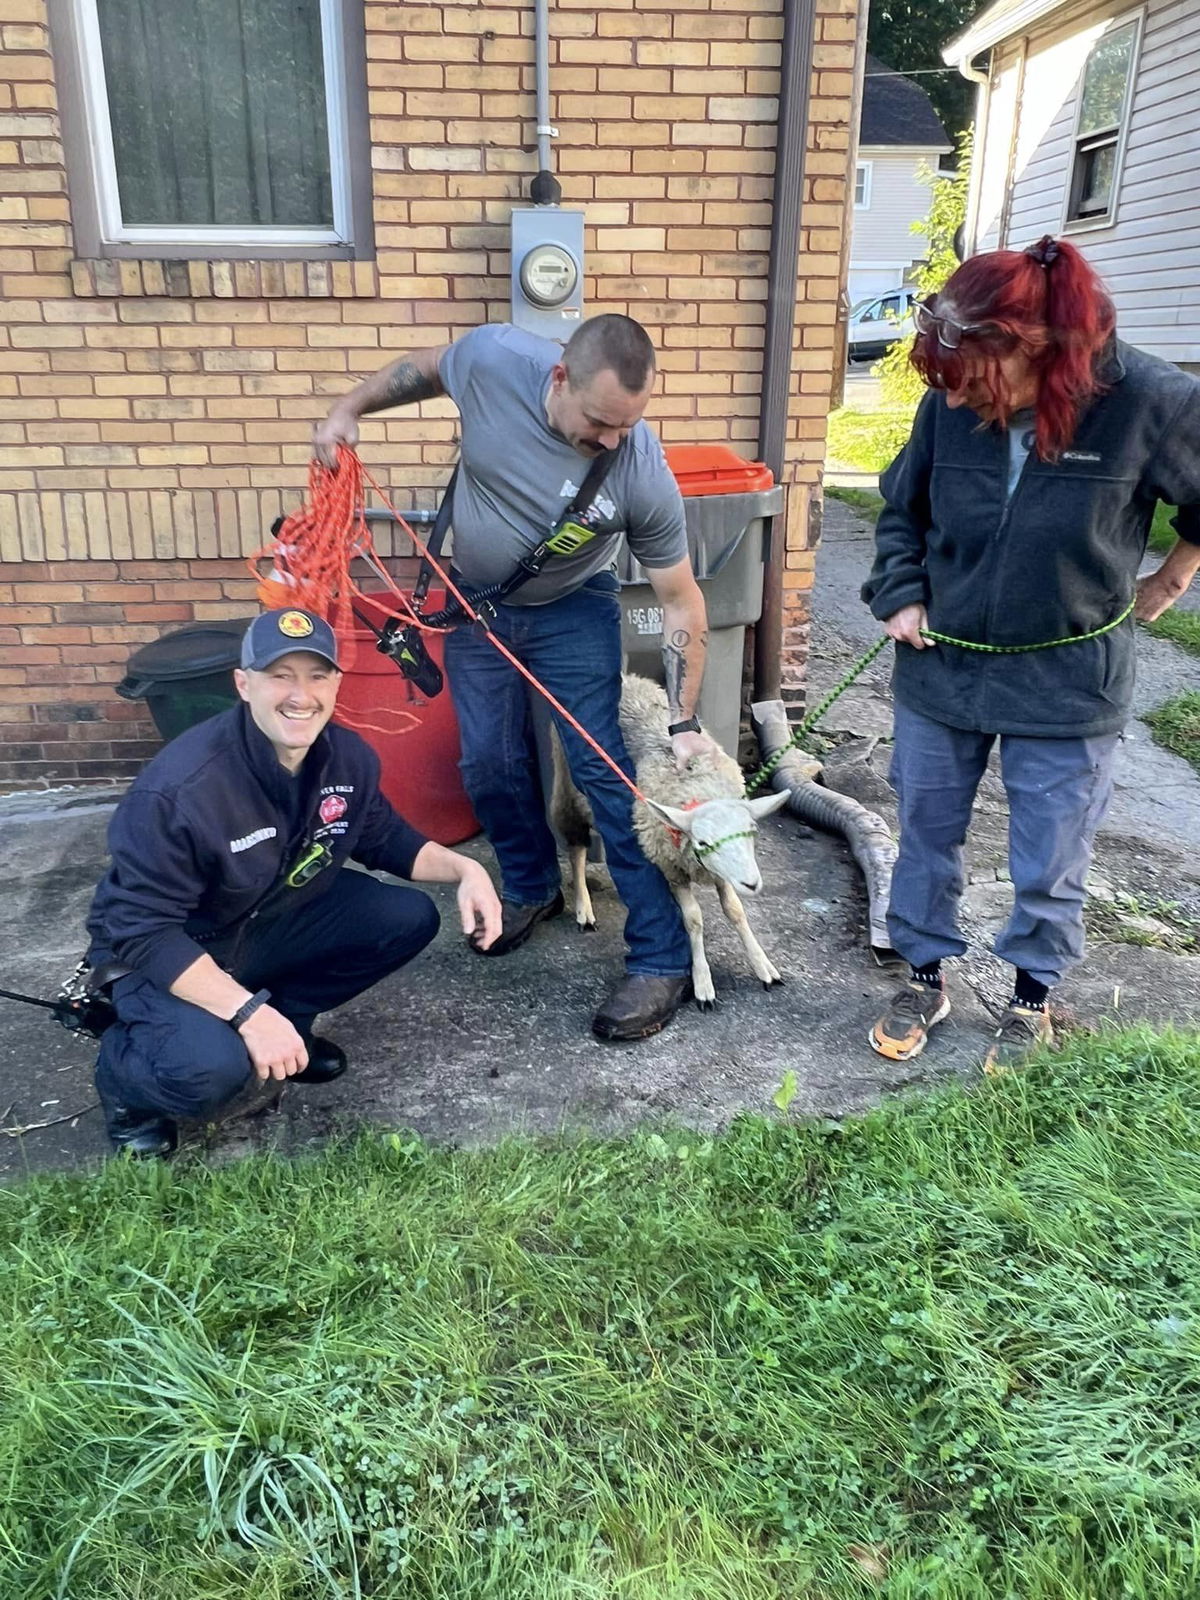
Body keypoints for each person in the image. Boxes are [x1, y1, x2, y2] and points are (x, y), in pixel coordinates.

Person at [313, 314, 718, 1042]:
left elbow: (682, 599)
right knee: (489, 764)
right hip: (475, 607)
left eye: (628, 425)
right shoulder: (494, 361)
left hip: (574, 612)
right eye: (600, 422)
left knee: (602, 774)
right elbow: (425, 368)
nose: (613, 441)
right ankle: (533, 889)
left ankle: (660, 959)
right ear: (558, 377)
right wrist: (346, 411)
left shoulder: (639, 469)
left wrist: (684, 721)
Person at [862, 236, 1200, 1070]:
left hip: (1069, 680)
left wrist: (1170, 579)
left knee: (1050, 851)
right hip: (945, 667)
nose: (965, 400)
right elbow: (901, 510)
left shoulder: (1150, 399)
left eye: (978, 379)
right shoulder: (949, 403)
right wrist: (900, 590)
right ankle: (926, 975)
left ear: (1036, 347)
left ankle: (1030, 999)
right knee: (926, 833)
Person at [86, 608, 502, 1158]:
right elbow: (141, 930)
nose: (299, 695)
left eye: (315, 674)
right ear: (244, 683)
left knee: (408, 917)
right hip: (168, 954)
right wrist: (245, 1013)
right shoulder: (181, 790)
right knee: (211, 1074)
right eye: (280, 675)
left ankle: (290, 1025)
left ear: (335, 683)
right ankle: (126, 1084)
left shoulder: (346, 758)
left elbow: (386, 840)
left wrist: (468, 870)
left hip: (264, 918)